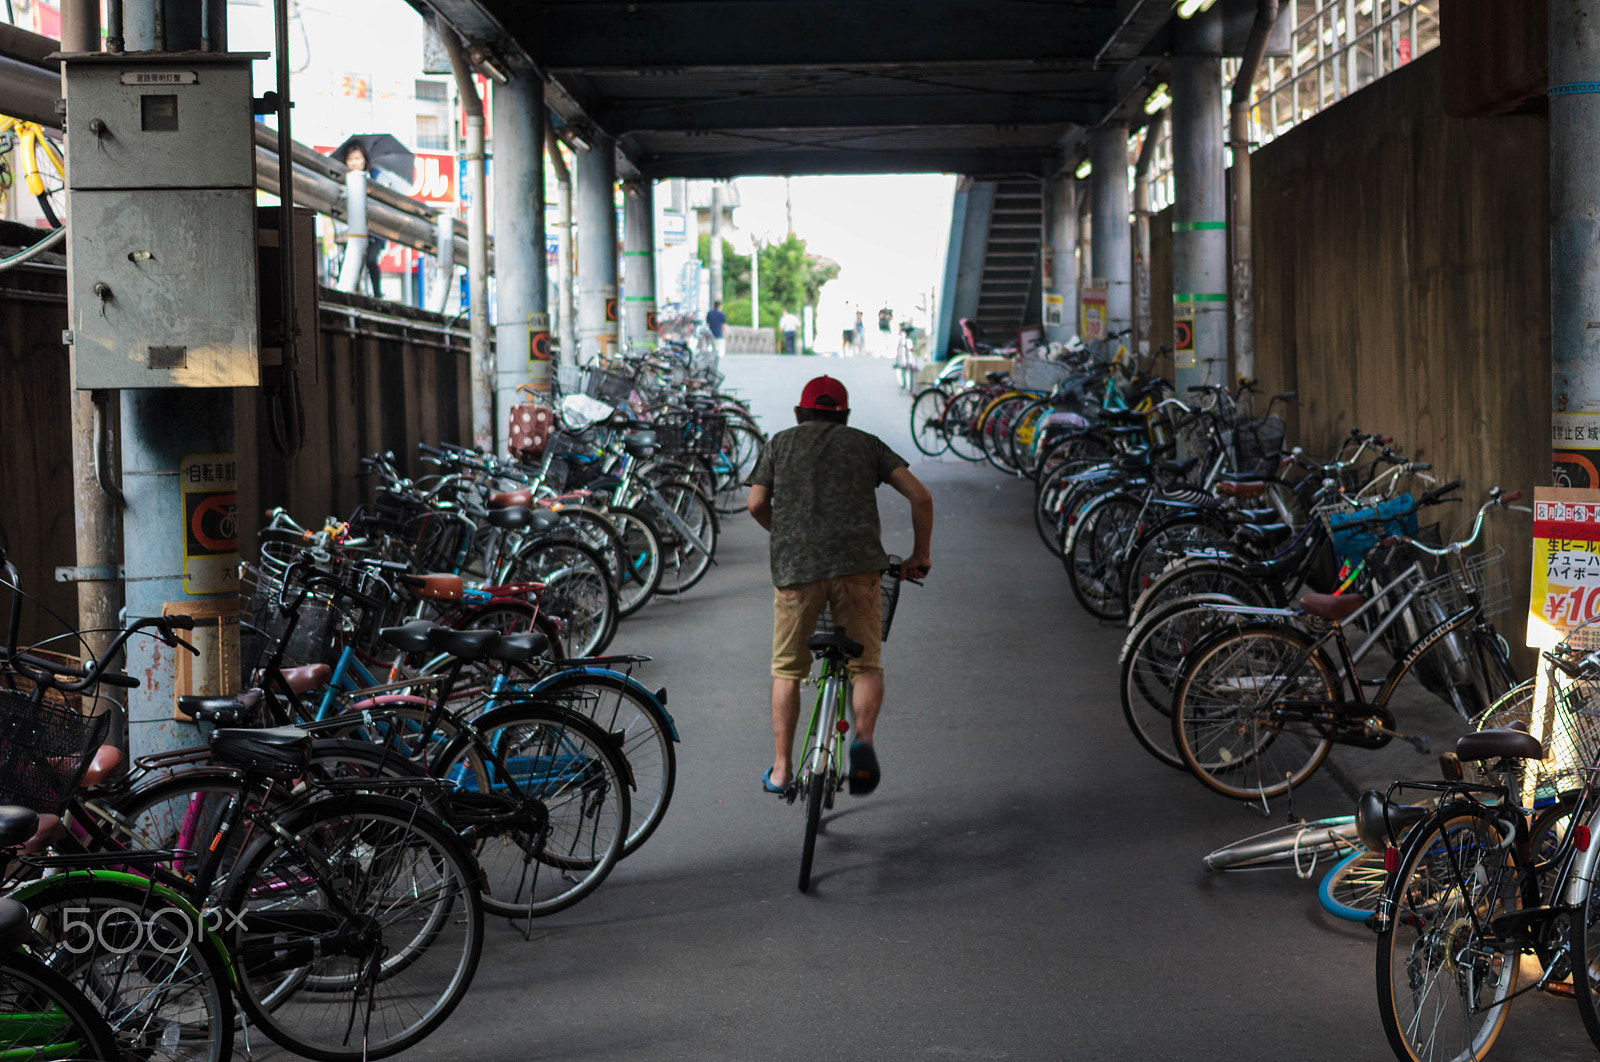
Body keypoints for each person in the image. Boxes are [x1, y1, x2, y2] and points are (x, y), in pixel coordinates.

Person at [745, 375, 934, 798]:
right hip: (858, 571)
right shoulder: (867, 444)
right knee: (865, 666)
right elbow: (921, 497)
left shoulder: (780, 442)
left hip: (798, 571)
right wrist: (919, 555)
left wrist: (785, 533)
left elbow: (756, 503)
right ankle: (862, 740)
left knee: (787, 670)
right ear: (845, 417)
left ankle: (781, 769)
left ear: (799, 413)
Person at [342, 147, 385, 299]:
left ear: (365, 159)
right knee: (352, 258)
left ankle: (377, 293)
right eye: (351, 159)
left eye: (358, 158)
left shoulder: (375, 176)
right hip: (353, 228)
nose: (354, 162)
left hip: (375, 231)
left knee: (371, 260)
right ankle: (355, 291)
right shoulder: (343, 178)